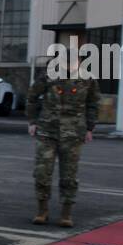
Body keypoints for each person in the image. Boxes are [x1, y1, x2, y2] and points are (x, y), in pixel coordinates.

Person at [26, 54, 101, 227]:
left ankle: (66, 213)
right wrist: (32, 121)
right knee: (42, 172)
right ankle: (42, 210)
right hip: (46, 131)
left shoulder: (88, 79)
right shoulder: (49, 76)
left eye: (73, 61)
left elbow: (93, 104)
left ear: (79, 62)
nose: (69, 65)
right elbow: (32, 97)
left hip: (73, 133)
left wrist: (90, 128)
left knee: (69, 175)